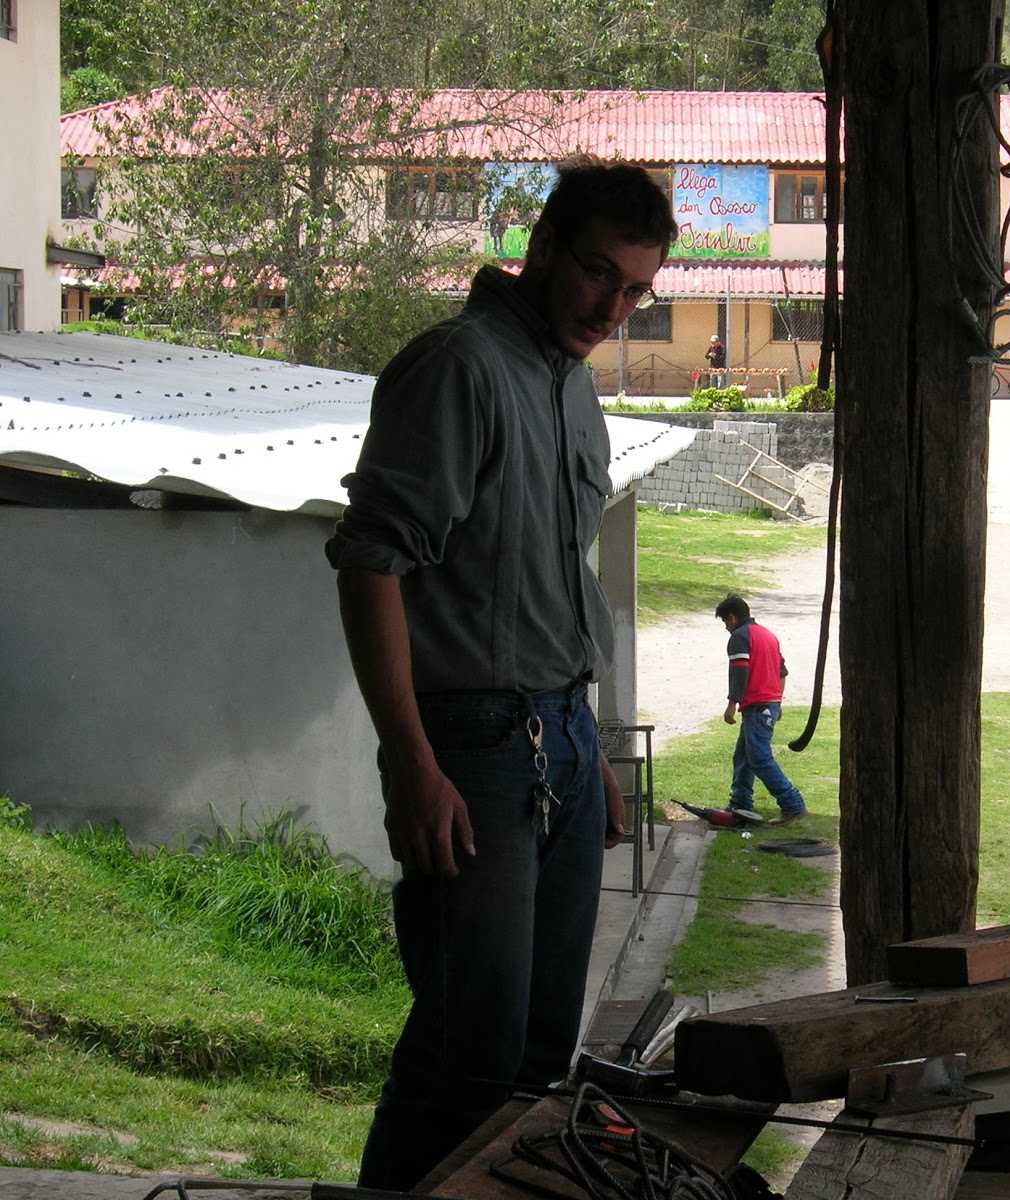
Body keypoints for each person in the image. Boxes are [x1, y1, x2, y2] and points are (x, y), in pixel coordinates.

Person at [325, 156, 677, 1192]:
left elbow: (561, 582)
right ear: (540, 246)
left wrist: (595, 748)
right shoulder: (459, 368)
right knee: (462, 1055)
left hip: (561, 743)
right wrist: (413, 763)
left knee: (535, 1065)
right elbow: (370, 563)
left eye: (636, 290)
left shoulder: (572, 390)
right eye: (596, 275)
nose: (611, 307)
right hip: (471, 750)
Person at [716, 593, 807, 825]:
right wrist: (778, 701)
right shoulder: (767, 635)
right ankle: (740, 802)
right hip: (769, 703)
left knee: (759, 759)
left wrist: (731, 704)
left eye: (725, 622)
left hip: (757, 706)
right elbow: (782, 672)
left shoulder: (739, 637)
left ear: (733, 617)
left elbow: (739, 672)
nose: (726, 628)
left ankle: (792, 803)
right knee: (743, 755)